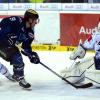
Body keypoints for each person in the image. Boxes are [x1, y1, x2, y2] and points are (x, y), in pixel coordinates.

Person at [0, 9, 40, 88]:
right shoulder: (17, 20)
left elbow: (26, 47)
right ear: (30, 19)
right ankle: (8, 74)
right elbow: (3, 22)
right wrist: (7, 35)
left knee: (18, 60)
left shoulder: (30, 33)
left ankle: (19, 77)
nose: (36, 22)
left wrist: (31, 55)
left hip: (8, 47)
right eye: (35, 20)